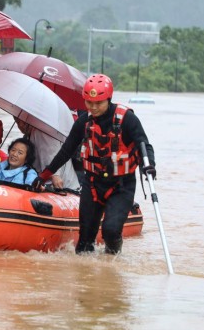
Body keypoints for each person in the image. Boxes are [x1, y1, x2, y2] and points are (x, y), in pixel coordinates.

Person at [36, 74, 156, 255]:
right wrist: (44, 176)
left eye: (98, 103)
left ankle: (112, 265)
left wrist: (149, 165)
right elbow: (66, 151)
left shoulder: (127, 120)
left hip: (121, 186)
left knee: (111, 230)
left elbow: (143, 144)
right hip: (92, 184)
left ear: (109, 99)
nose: (93, 107)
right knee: (84, 241)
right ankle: (88, 277)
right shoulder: (84, 122)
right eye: (89, 103)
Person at [13, 116, 80, 191]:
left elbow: (53, 152)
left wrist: (55, 175)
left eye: (23, 122)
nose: (20, 126)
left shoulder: (42, 131)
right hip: (47, 180)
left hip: (63, 186)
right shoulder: (28, 135)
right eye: (17, 122)